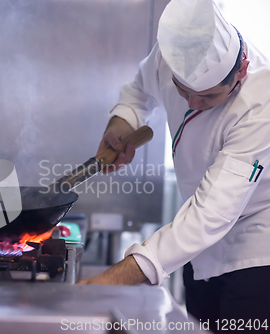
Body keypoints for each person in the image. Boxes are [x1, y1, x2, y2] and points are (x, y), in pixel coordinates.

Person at [77, 0, 270, 331]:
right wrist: (122, 122)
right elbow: (139, 91)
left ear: (241, 70)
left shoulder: (260, 104)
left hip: (256, 252)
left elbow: (214, 212)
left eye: (207, 98)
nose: (193, 104)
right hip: (196, 248)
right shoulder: (173, 53)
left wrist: (117, 277)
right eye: (183, 91)